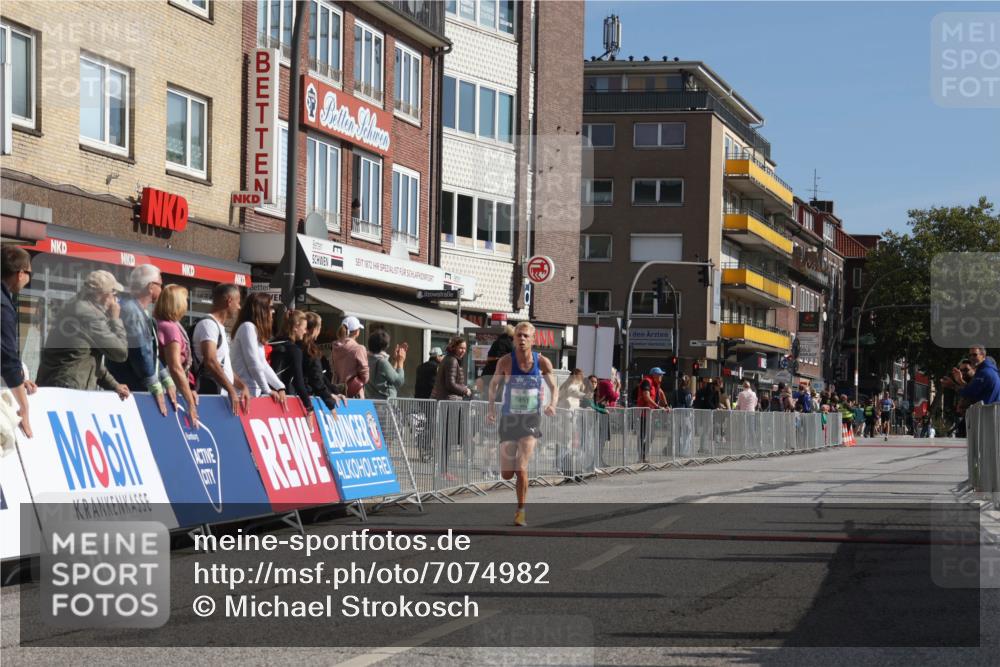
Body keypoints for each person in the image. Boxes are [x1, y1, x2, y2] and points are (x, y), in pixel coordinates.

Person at [487, 322, 558, 527]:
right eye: (519, 335)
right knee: (507, 473)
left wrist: (552, 404)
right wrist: (491, 409)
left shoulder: (543, 362)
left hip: (531, 419)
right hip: (509, 419)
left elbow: (555, 388)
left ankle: (521, 511)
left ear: (533, 339)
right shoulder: (506, 362)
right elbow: (493, 385)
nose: (522, 339)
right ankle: (518, 499)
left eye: (526, 336)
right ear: (514, 338)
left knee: (521, 467)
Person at [36, 270, 130, 400]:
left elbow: (88, 358)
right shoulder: (88, 315)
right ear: (103, 295)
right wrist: (115, 319)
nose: (116, 300)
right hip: (67, 389)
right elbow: (120, 353)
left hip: (61, 384)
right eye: (114, 294)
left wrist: (114, 385)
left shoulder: (77, 307)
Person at [107, 265, 177, 417]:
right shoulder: (132, 311)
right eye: (160, 284)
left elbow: (151, 352)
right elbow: (141, 352)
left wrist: (165, 378)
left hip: (132, 387)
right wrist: (155, 384)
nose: (163, 289)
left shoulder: (139, 311)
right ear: (151, 287)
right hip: (131, 389)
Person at [192, 283, 250, 416]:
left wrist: (241, 385)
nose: (239, 307)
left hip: (221, 395)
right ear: (229, 301)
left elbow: (223, 365)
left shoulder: (219, 327)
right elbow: (211, 361)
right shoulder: (209, 325)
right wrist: (231, 390)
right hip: (211, 395)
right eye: (238, 302)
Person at [1, 246, 37, 438]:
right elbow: (6, 359)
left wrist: (20, 377)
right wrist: (24, 407)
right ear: (21, 273)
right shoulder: (3, 307)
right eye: (30, 272)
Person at [155, 284, 199, 428]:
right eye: (185, 300)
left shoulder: (160, 323)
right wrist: (190, 403)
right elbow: (175, 367)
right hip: (169, 390)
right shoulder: (170, 328)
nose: (187, 304)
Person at [230, 293, 286, 405]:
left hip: (252, 391)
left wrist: (280, 387)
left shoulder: (253, 329)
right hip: (243, 392)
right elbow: (253, 362)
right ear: (260, 309)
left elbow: (263, 364)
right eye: (271, 307)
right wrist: (268, 390)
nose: (273, 311)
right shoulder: (247, 327)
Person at [432, 335, 472, 482]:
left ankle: (444, 471)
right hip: (449, 403)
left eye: (465, 349)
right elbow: (450, 384)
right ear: (454, 347)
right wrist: (465, 390)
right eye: (460, 347)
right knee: (447, 440)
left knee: (446, 439)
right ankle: (443, 472)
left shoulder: (449, 359)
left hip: (447, 402)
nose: (463, 351)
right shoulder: (452, 361)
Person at [268, 310, 311, 412]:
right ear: (295, 327)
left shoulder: (273, 343)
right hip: (283, 399)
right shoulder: (294, 350)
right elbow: (298, 382)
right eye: (304, 328)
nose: (305, 332)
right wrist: (309, 406)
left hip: (265, 393)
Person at [300, 311, 345, 410]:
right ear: (315, 329)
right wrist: (329, 398)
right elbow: (316, 378)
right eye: (320, 328)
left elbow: (320, 376)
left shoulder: (298, 346)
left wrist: (333, 391)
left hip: (301, 397)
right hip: (306, 400)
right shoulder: (310, 350)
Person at [331, 315, 369, 398]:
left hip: (338, 391)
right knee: (356, 411)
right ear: (356, 332)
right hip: (354, 391)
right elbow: (365, 374)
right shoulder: (358, 348)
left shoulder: (335, 348)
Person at [952, 346, 1000, 410]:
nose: (971, 358)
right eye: (970, 355)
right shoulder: (986, 370)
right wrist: (960, 381)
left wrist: (953, 385)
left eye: (975, 355)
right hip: (987, 414)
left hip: (985, 415)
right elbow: (972, 390)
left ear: (983, 356)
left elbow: (970, 394)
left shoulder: (984, 372)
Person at [366, 328, 407, 400]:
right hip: (385, 405)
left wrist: (395, 360)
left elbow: (388, 376)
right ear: (386, 345)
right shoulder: (382, 362)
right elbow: (399, 381)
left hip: (372, 401)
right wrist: (401, 361)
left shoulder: (368, 359)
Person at [478, 324, 515, 396]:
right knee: (498, 396)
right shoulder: (509, 343)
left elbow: (490, 357)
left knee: (488, 396)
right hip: (498, 374)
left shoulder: (498, 341)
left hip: (489, 373)